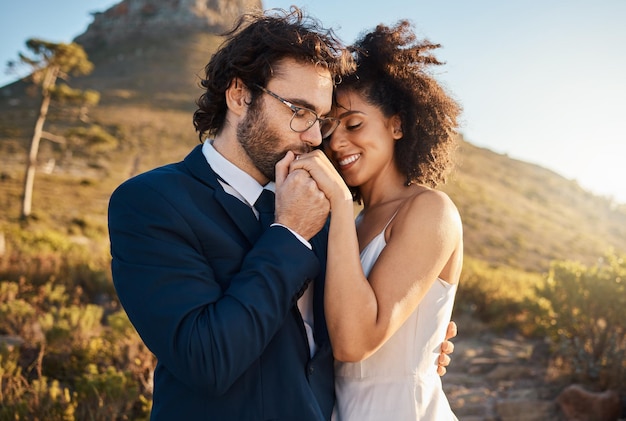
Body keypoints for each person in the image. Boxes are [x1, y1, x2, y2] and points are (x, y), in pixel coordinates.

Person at [108, 7, 453, 420]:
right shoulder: (150, 203)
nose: (314, 137)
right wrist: (288, 232)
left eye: (320, 120)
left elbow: (350, 323)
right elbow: (206, 360)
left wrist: (418, 340)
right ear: (239, 95)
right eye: (299, 110)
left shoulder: (323, 207)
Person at [290, 20, 462, 420]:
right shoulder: (347, 224)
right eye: (329, 130)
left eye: (353, 124)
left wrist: (336, 198)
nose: (337, 143)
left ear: (396, 124)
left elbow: (354, 342)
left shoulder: (430, 210)